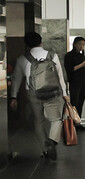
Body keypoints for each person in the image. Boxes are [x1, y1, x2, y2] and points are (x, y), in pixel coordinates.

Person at [9, 32, 71, 161]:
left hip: (33, 94)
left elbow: (16, 79)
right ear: (41, 41)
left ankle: (44, 149)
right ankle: (52, 142)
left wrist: (13, 97)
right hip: (53, 92)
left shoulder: (22, 59)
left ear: (26, 44)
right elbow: (60, 75)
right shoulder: (52, 56)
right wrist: (65, 93)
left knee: (38, 121)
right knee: (56, 119)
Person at [64, 36, 85, 131]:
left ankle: (78, 122)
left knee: (81, 102)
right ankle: (73, 123)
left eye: (83, 45)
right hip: (74, 82)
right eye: (80, 44)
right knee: (74, 102)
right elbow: (70, 69)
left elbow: (84, 70)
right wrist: (81, 65)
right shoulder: (68, 56)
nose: (81, 47)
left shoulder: (81, 55)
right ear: (74, 44)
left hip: (83, 80)